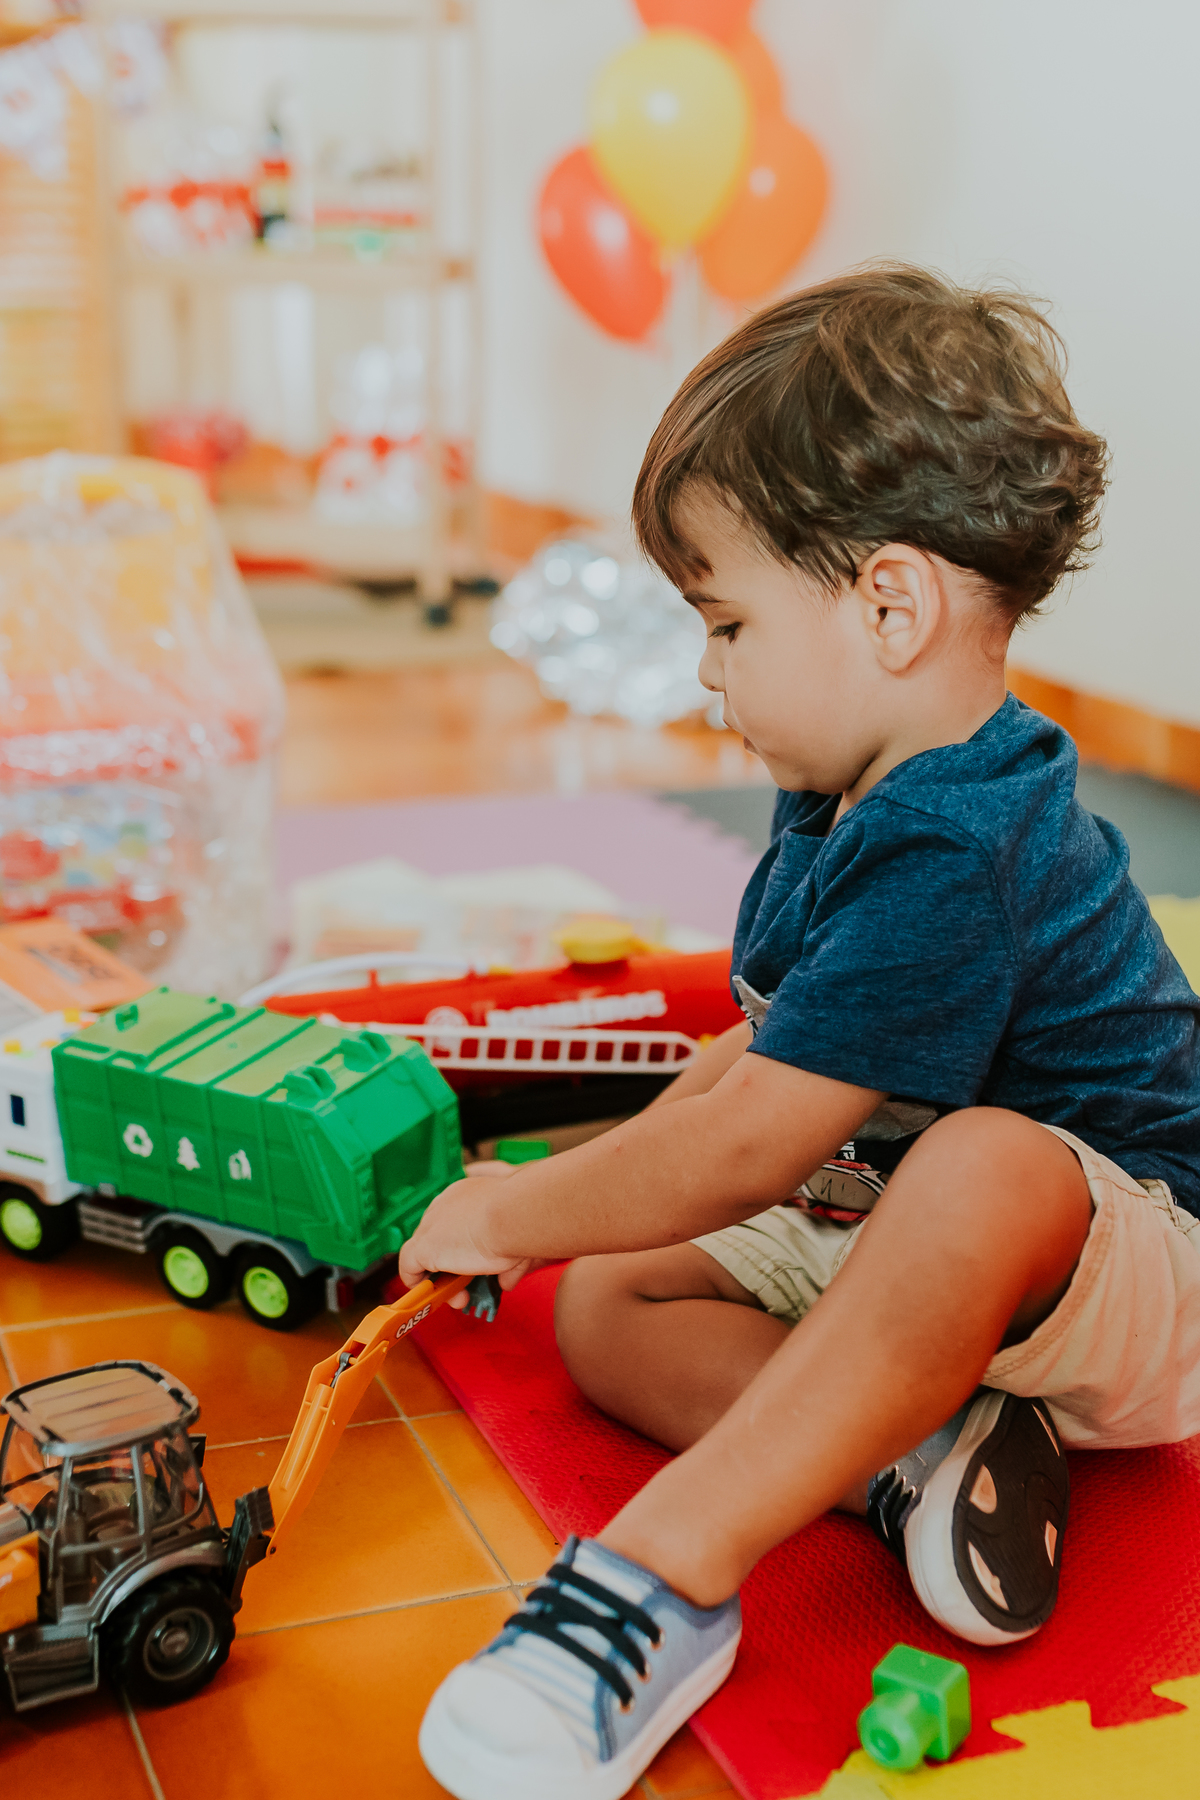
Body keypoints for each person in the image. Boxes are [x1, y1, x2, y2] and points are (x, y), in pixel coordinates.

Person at [406, 265, 1200, 1800]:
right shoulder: (837, 784)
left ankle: (662, 1575)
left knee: (978, 1165)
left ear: (888, 605)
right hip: (893, 1214)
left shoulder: (959, 844)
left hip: (1134, 1267)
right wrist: (587, 1205)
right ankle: (913, 1457)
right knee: (607, 1305)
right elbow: (758, 1067)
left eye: (724, 623)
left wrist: (513, 1207)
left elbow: (763, 1137)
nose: (708, 677)